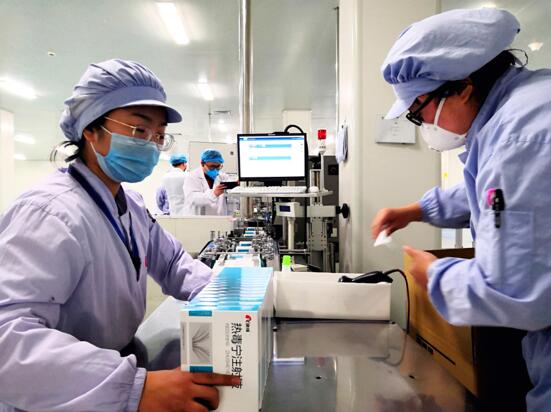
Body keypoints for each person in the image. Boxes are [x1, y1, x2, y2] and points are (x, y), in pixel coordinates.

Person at [0, 59, 238, 411]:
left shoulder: (130, 204)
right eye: (139, 130)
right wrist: (132, 388)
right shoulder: (50, 212)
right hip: (63, 395)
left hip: (114, 364)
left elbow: (173, 263)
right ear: (90, 130)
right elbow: (8, 341)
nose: (151, 144)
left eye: (158, 135)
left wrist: (226, 293)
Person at [371, 8, 551, 411]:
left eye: (418, 111)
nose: (421, 123)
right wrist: (417, 209)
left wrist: (435, 275)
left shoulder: (519, 139)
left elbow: (515, 290)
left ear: (463, 87)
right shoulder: (528, 103)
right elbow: (496, 195)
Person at [183, 149, 228, 216]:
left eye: (218, 167)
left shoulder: (222, 177)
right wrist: (214, 194)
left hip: (217, 218)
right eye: (212, 167)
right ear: (202, 163)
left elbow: (231, 181)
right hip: (198, 218)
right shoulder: (192, 177)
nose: (215, 170)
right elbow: (192, 199)